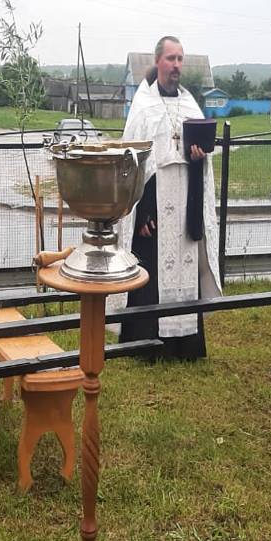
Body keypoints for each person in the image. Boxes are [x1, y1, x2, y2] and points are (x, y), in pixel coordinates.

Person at [111, 36, 221, 361]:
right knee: (152, 271)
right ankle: (147, 346)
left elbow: (204, 163)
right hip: (154, 208)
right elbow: (132, 163)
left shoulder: (191, 106)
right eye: (171, 58)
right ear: (158, 61)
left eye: (180, 59)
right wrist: (142, 211)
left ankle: (184, 346)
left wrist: (199, 155)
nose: (176, 65)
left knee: (183, 270)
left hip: (185, 203)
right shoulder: (143, 107)